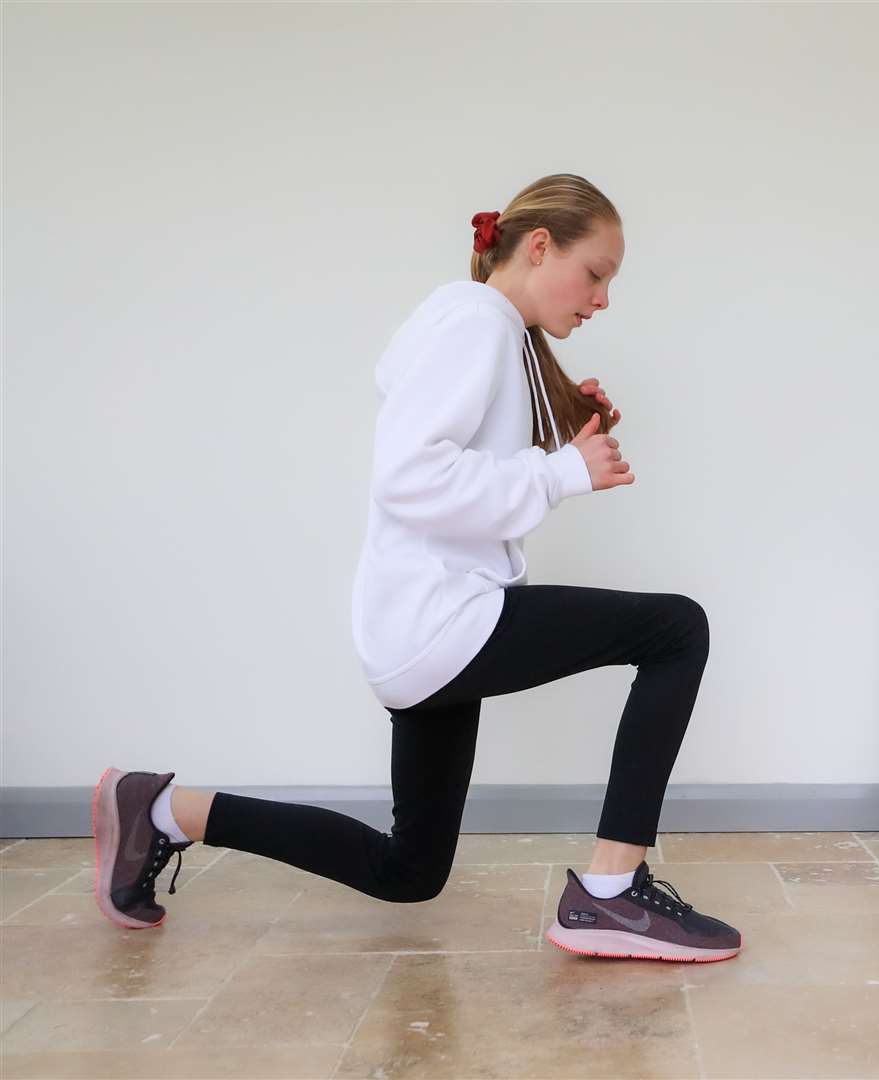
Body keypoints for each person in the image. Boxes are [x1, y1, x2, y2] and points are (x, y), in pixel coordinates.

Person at [90, 174, 742, 963]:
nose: (601, 298)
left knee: (409, 871)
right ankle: (610, 894)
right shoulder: (475, 323)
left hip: (426, 626)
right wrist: (561, 472)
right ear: (539, 246)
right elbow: (408, 478)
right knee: (676, 629)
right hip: (441, 620)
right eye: (595, 273)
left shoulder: (491, 331)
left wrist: (558, 434)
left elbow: (457, 470)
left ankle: (159, 809)